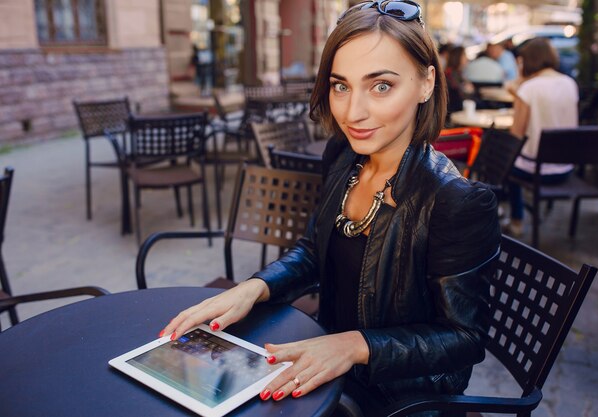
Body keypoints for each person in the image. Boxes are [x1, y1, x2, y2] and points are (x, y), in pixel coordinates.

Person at [161, 2, 500, 416]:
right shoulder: (344, 154)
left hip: (400, 395)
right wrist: (254, 287)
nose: (352, 113)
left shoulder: (456, 201)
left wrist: (354, 345)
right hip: (323, 349)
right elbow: (313, 250)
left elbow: (465, 338)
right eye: (341, 86)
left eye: (381, 86)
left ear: (427, 83)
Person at [506, 38, 578, 236]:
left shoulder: (529, 88)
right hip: (565, 168)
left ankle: (516, 220)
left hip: (536, 170)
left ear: (526, 61)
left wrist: (518, 89)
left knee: (504, 163)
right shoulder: (569, 84)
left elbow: (515, 135)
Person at [444, 46, 475, 112]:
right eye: (464, 55)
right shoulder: (451, 74)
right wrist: (469, 91)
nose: (467, 58)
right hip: (455, 111)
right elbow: (458, 96)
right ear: (457, 57)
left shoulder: (457, 73)